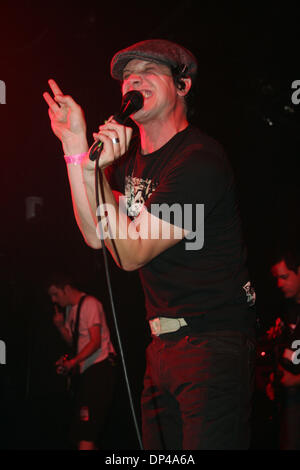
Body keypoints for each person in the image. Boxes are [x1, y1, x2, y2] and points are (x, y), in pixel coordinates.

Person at [43, 38, 256, 450]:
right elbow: (96, 234)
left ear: (183, 85)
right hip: (162, 347)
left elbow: (131, 252)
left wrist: (94, 173)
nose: (132, 79)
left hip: (211, 343)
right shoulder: (133, 165)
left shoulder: (199, 160)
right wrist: (75, 149)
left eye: (148, 70)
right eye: (126, 75)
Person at [47, 273, 117, 450]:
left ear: (67, 289)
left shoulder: (90, 304)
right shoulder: (71, 310)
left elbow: (95, 342)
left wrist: (73, 362)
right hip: (87, 372)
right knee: (82, 433)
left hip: (100, 369)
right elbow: (74, 342)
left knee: (86, 433)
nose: (54, 300)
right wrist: (61, 326)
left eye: (56, 294)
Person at [266, 248, 300, 449]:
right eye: (277, 278)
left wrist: (295, 380)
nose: (279, 284)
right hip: (288, 404)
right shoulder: (287, 311)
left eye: (285, 277)